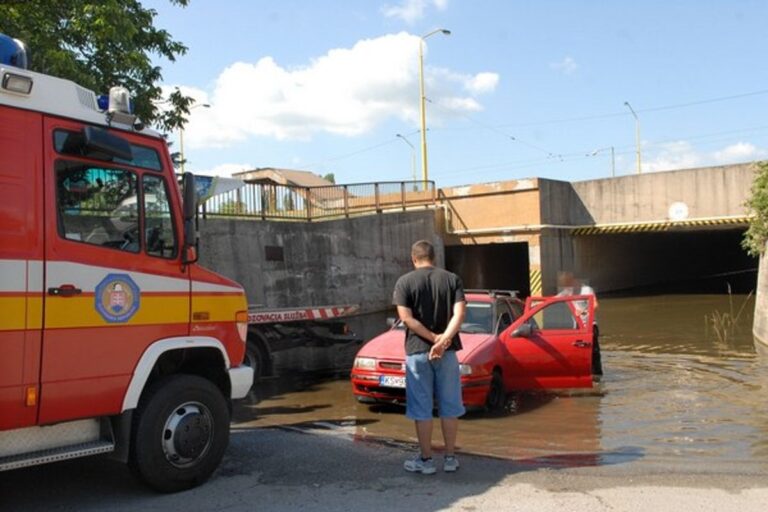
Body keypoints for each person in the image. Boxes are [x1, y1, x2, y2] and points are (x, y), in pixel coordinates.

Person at [393, 240, 466, 475]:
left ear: (414, 259)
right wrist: (444, 340)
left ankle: (426, 461)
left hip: (417, 352)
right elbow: (460, 314)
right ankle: (451, 458)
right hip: (448, 353)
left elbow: (406, 318)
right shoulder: (452, 279)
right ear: (434, 258)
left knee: (421, 408)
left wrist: (433, 338)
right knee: (450, 405)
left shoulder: (404, 282)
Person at [557, 271, 603, 377]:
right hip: (577, 328)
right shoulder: (567, 292)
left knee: (593, 354)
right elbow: (553, 300)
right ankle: (583, 376)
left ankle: (597, 376)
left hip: (590, 326)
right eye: (564, 283)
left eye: (567, 282)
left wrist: (584, 311)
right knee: (579, 354)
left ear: (573, 280)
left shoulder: (586, 290)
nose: (565, 285)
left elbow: (595, 305)